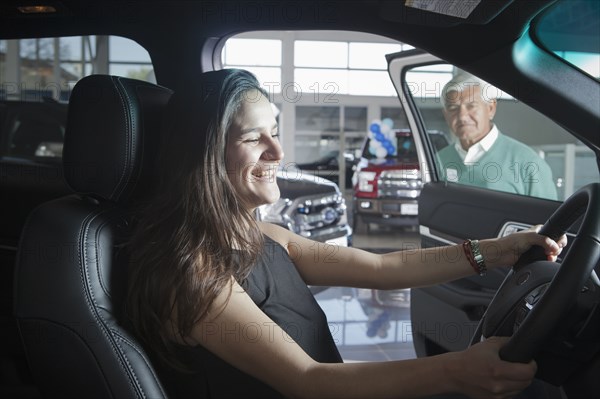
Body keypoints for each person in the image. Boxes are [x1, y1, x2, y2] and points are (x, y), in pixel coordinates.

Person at [126, 69, 566, 399]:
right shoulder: (193, 271)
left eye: (275, 132)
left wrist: (498, 250)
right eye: (252, 138)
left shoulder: (264, 236)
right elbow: (307, 381)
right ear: (206, 154)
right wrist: (455, 371)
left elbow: (381, 267)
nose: (278, 151)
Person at [436, 72, 558, 200]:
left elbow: (548, 218)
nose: (462, 116)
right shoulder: (437, 161)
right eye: (453, 108)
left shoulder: (528, 163)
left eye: (471, 106)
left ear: (490, 108)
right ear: (445, 114)